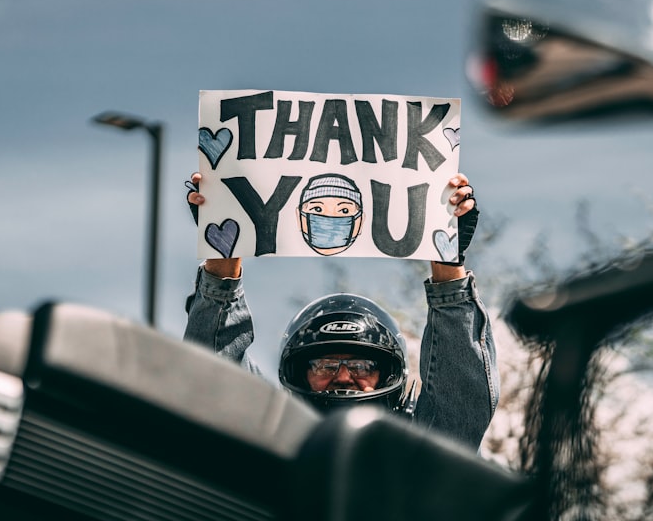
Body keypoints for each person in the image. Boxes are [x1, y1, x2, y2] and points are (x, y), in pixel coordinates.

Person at [182, 172, 498, 450]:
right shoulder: (270, 445)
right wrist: (222, 259)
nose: (344, 377)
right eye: (324, 364)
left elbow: (461, 403)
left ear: (389, 374)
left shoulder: (421, 456)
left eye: (362, 365)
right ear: (297, 373)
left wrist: (448, 267)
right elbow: (215, 383)